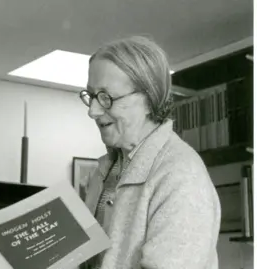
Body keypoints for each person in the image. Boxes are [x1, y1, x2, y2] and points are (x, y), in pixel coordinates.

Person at [79, 36, 221, 269]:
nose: (93, 111)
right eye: (91, 96)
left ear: (148, 98)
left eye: (106, 98)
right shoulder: (107, 171)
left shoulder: (182, 176)